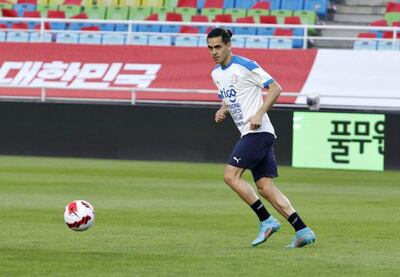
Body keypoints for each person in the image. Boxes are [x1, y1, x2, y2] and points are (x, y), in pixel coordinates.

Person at [207, 27, 316, 248]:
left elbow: (276, 88)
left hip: (258, 132)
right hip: (254, 133)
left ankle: (266, 220)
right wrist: (223, 109)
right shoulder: (216, 74)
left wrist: (259, 113)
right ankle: (302, 230)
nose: (214, 52)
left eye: (218, 47)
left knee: (230, 175)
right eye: (210, 48)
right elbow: (230, 97)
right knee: (265, 187)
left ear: (229, 45)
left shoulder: (246, 65)